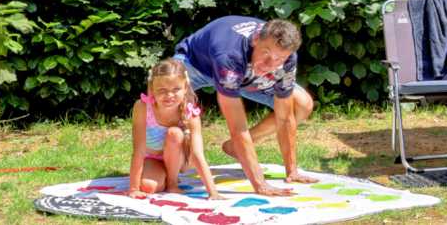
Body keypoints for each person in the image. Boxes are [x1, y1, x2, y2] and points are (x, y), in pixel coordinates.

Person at [173, 16, 315, 197]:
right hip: (197, 64)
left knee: (301, 104)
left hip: (247, 71)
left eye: (279, 59)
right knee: (165, 105)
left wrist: (292, 171)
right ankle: (158, 163)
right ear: (256, 39)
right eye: (266, 53)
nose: (270, 64)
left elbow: (285, 117)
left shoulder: (286, 59)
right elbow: (237, 127)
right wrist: (260, 185)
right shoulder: (230, 55)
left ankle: (234, 148)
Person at [127, 59, 224, 200]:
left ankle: (172, 182)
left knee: (175, 133)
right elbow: (139, 150)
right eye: (162, 90)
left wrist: (213, 192)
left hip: (182, 161)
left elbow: (197, 154)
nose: (169, 95)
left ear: (185, 87)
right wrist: (134, 189)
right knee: (149, 187)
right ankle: (163, 176)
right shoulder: (142, 107)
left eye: (176, 89)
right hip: (154, 159)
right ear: (152, 88)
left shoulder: (190, 114)